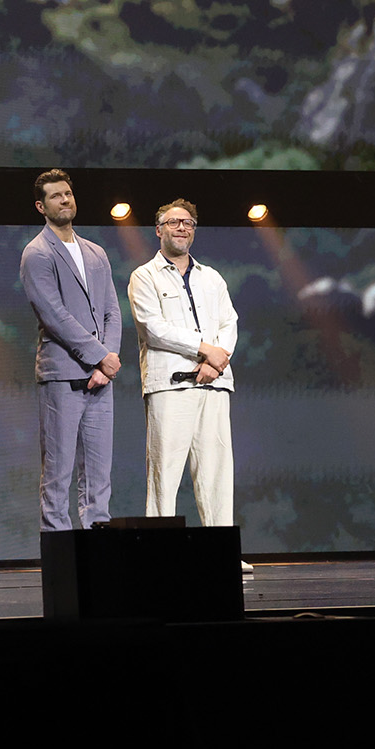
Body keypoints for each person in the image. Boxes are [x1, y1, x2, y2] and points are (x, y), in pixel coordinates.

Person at [128, 199, 249, 572]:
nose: (182, 228)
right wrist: (205, 350)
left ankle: (220, 552)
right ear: (158, 229)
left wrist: (218, 359)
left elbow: (230, 322)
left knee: (216, 472)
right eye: (174, 222)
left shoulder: (211, 277)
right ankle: (161, 552)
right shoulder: (144, 276)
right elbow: (154, 328)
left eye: (189, 223)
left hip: (214, 385)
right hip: (169, 386)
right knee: (164, 473)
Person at [20, 169, 123, 531]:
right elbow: (54, 315)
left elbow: (112, 310)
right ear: (41, 206)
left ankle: (99, 547)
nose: (65, 200)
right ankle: (60, 555)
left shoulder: (95, 252)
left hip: (100, 377)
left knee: (99, 474)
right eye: (55, 196)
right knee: (58, 471)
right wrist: (99, 356)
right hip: (62, 375)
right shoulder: (37, 253)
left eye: (68, 193)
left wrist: (106, 362)